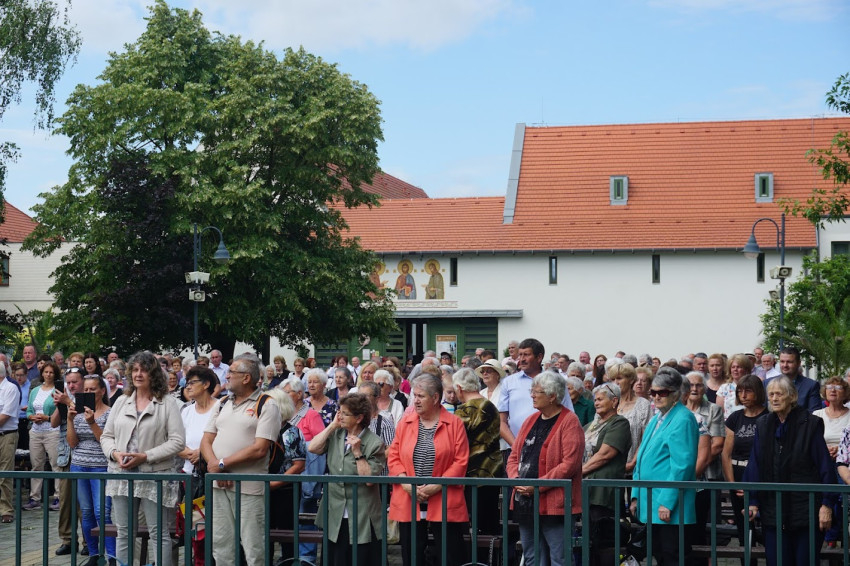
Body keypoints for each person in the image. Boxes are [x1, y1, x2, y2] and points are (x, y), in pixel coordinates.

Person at [101, 351, 186, 566]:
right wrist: (115, 454)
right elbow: (106, 436)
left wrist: (146, 456)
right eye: (135, 370)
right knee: (124, 532)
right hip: (122, 473)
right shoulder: (121, 401)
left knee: (159, 533)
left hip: (154, 475)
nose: (138, 374)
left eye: (144, 370)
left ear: (153, 374)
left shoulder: (168, 403)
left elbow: (177, 442)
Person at [743, 376, 836, 565]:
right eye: (771, 394)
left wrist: (826, 504)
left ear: (792, 396)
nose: (774, 398)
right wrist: (752, 500)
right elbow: (755, 464)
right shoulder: (763, 424)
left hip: (806, 510)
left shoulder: (810, 424)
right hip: (773, 510)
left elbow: (825, 467)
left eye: (779, 394)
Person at [200, 354, 282, 566]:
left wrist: (222, 464)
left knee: (254, 545)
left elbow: (260, 449)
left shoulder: (267, 404)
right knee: (221, 543)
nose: (226, 376)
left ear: (246, 378)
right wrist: (217, 468)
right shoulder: (222, 403)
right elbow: (206, 440)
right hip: (218, 484)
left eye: (231, 372)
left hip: (249, 487)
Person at [388, 373, 470, 566]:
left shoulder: (455, 424)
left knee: (449, 555)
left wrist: (437, 485)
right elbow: (393, 456)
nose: (415, 400)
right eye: (414, 395)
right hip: (409, 497)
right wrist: (406, 483)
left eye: (420, 396)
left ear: (435, 398)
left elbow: (460, 461)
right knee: (412, 555)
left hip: (444, 498)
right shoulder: (405, 423)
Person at [507, 371, 584, 566]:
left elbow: (570, 464)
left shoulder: (570, 421)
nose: (532, 395)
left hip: (555, 504)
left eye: (537, 392)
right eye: (532, 391)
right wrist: (516, 480)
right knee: (532, 557)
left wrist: (537, 486)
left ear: (552, 396)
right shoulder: (530, 420)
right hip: (525, 502)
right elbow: (514, 456)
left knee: (560, 558)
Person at [630, 367, 699, 566]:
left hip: (669, 506)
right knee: (660, 554)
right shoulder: (656, 419)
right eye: (653, 392)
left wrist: (667, 502)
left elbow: (682, 465)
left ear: (676, 394)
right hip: (650, 501)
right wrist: (635, 495)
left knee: (672, 556)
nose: (657, 396)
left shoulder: (683, 418)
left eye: (663, 392)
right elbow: (641, 458)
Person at [310, 393, 386, 566]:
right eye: (339, 412)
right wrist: (332, 426)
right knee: (336, 558)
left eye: (345, 413)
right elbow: (313, 448)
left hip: (362, 514)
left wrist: (358, 453)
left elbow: (369, 480)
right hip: (335, 511)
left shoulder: (375, 443)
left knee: (360, 558)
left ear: (359, 418)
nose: (340, 416)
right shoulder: (336, 434)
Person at [67, 375, 115, 565]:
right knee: (86, 512)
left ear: (102, 391)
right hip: (79, 465)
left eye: (92, 389)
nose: (88, 393)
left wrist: (92, 422)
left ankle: (112, 556)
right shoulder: (78, 412)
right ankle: (94, 555)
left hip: (101, 466)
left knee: (102, 512)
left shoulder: (110, 413)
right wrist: (70, 420)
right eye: (85, 390)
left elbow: (106, 441)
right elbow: (72, 443)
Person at [582, 382, 631, 566]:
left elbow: (605, 455)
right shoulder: (590, 426)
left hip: (604, 492)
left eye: (601, 399)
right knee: (588, 543)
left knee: (604, 543)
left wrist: (578, 472)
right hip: (585, 491)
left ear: (614, 401)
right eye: (595, 400)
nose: (596, 403)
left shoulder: (619, 423)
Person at [453, 368, 504, 535]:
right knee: (490, 522)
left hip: (473, 472)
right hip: (493, 469)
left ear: (459, 388)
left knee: (476, 524)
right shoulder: (491, 406)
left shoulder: (465, 410)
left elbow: (455, 441)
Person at [721, 374, 767, 555]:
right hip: (738, 473)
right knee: (743, 528)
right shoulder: (735, 417)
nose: (743, 395)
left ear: (758, 392)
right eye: (740, 391)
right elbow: (726, 453)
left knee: (766, 526)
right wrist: (732, 484)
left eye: (748, 391)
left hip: (762, 477)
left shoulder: (768, 417)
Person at [683, 371, 725, 550]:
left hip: (707, 476)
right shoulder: (679, 409)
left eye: (698, 385)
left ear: (705, 388)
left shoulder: (713, 409)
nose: (694, 389)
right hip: (681, 475)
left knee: (702, 525)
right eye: (690, 385)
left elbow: (717, 444)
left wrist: (695, 466)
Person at [264, 388, 307, 562]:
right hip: (263, 489)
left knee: (286, 534)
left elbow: (299, 465)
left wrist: (273, 484)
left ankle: (288, 562)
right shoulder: (262, 430)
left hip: (286, 490)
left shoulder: (291, 432)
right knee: (264, 533)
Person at [24, 361, 61, 511]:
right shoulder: (35, 390)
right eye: (46, 372)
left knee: (56, 464)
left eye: (51, 372)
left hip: (52, 430)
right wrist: (31, 417)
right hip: (36, 431)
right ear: (42, 373)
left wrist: (47, 417)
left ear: (55, 374)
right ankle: (35, 498)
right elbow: (29, 410)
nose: (48, 374)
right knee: (36, 465)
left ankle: (59, 496)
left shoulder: (58, 390)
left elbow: (61, 411)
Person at [609, 362, 652, 476]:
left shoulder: (643, 405)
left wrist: (633, 463)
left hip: (633, 470)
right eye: (612, 379)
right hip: (608, 469)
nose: (615, 382)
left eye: (619, 378)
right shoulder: (607, 403)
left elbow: (646, 438)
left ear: (631, 380)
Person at [178, 366, 219, 476]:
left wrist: (202, 454)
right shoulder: (186, 411)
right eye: (187, 383)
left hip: (213, 474)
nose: (188, 387)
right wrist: (192, 455)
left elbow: (225, 441)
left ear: (206, 384)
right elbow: (177, 442)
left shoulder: (221, 408)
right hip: (189, 474)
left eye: (192, 383)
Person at [767, 346, 821, 413]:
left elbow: (814, 414)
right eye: (782, 361)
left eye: (789, 362)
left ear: (798, 363)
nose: (785, 365)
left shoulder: (811, 386)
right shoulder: (767, 383)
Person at [0, 362, 20, 524]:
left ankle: (6, 510)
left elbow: (5, 415)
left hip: (6, 434)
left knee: (5, 472)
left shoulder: (11, 388)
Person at [717, 353, 752, 419]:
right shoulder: (723, 388)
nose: (735, 369)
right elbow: (719, 413)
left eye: (739, 367)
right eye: (733, 367)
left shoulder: (753, 387)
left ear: (746, 369)